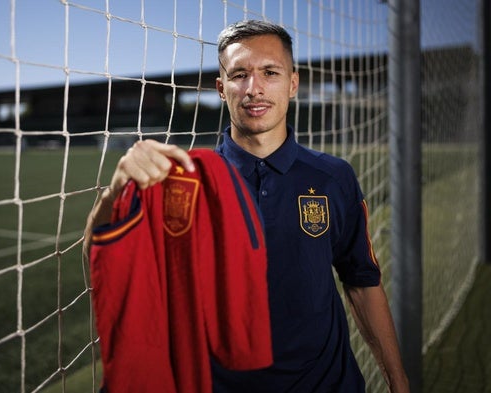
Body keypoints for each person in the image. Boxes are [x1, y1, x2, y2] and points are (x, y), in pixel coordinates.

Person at [85, 19, 409, 393]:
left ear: (292, 83)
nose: (254, 89)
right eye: (240, 74)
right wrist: (115, 192)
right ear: (222, 89)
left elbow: (362, 283)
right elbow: (99, 259)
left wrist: (399, 382)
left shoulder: (333, 177)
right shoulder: (182, 183)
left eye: (270, 72)